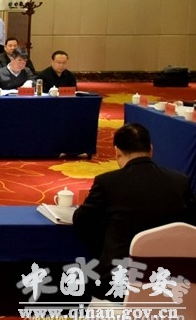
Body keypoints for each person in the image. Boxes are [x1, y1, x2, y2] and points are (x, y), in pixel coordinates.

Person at [73, 124, 194, 300]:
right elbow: (189, 225)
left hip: (118, 281)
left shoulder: (107, 183)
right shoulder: (180, 181)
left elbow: (82, 221)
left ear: (117, 152)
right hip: (171, 282)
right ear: (151, 149)